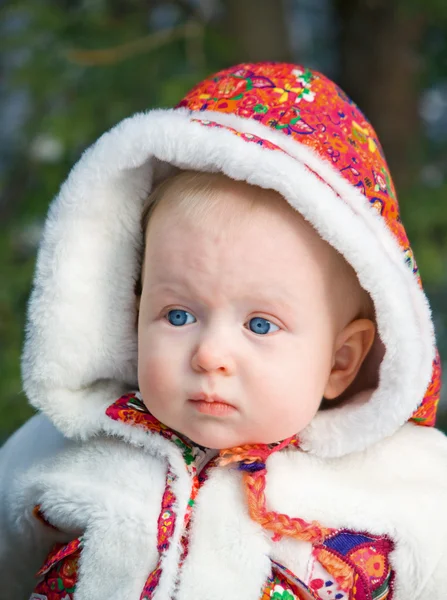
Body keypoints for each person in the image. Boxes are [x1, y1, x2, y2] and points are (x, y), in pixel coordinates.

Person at [0, 62, 446, 600]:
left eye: (260, 325)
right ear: (131, 311)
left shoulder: (412, 491)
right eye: (179, 315)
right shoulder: (57, 451)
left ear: (341, 360)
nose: (210, 354)